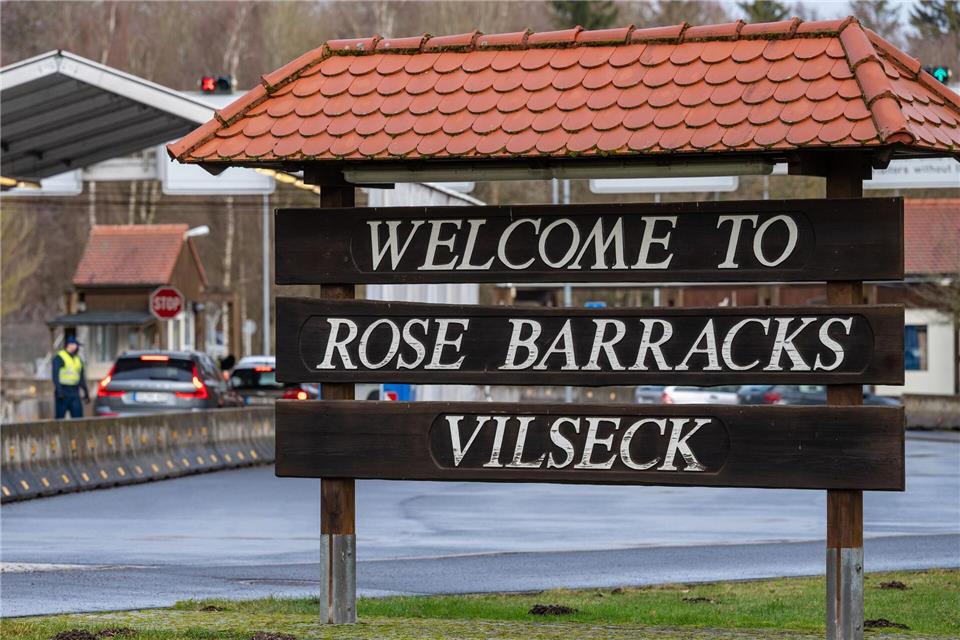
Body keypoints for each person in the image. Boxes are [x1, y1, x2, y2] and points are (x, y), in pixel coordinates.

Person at [52, 336, 90, 419]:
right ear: (70, 345)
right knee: (60, 419)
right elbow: (55, 375)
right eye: (76, 345)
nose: (77, 348)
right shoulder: (60, 357)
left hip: (74, 391)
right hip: (63, 391)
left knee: (78, 419)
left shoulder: (78, 359)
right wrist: (59, 391)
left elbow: (81, 378)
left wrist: (86, 392)